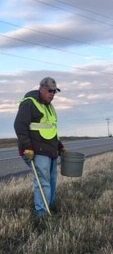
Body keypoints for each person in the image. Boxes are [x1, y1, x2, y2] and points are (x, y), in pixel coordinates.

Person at [14, 77, 65, 219]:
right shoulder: (29, 103)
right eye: (50, 91)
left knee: (52, 181)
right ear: (41, 88)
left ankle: (50, 205)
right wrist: (28, 147)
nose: (52, 94)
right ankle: (41, 215)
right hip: (36, 150)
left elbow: (52, 128)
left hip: (50, 150)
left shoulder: (50, 107)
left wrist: (59, 145)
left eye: (55, 92)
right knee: (43, 182)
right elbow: (19, 126)